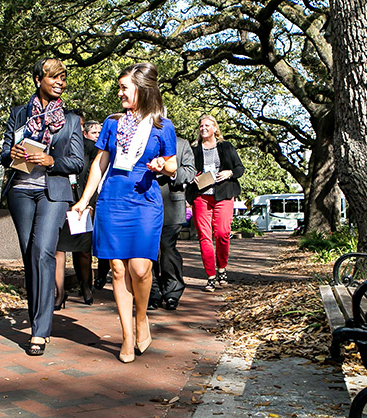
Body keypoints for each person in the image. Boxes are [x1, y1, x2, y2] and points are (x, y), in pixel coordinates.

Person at [72, 62, 178, 363]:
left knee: (140, 269)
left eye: (124, 88)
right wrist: (84, 200)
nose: (119, 93)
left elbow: (172, 165)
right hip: (112, 199)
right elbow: (100, 164)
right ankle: (128, 336)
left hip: (145, 200)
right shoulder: (111, 123)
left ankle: (142, 317)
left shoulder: (162, 127)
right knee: (118, 269)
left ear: (142, 90)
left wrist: (162, 165)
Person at [0, 58, 84, 356]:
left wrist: (51, 161)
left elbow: (77, 161)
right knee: (29, 255)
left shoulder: (71, 120)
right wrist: (9, 153)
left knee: (43, 252)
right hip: (20, 191)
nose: (60, 82)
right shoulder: (19, 114)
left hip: (53, 193)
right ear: (38, 79)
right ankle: (38, 315)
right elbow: (3, 156)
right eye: (54, 77)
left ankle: (40, 330)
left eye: (63, 78)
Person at [187, 114, 245, 292]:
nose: (203, 128)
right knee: (204, 237)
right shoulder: (194, 149)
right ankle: (211, 276)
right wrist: (193, 178)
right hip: (201, 196)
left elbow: (239, 168)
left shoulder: (226, 147)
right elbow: (187, 170)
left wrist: (229, 173)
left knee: (222, 233)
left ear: (215, 129)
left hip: (224, 194)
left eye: (207, 125)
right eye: (201, 126)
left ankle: (222, 268)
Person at [54, 119, 101, 307]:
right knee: (58, 250)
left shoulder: (90, 147)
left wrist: (90, 204)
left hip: (81, 203)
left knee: (82, 251)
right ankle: (59, 293)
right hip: (58, 202)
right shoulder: (56, 144)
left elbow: (96, 175)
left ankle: (86, 287)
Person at [148, 137, 195, 310]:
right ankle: (152, 292)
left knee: (167, 247)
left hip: (172, 205)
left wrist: (171, 173)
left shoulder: (181, 144)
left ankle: (172, 291)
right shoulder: (143, 140)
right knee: (149, 249)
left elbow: (190, 172)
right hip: (145, 203)